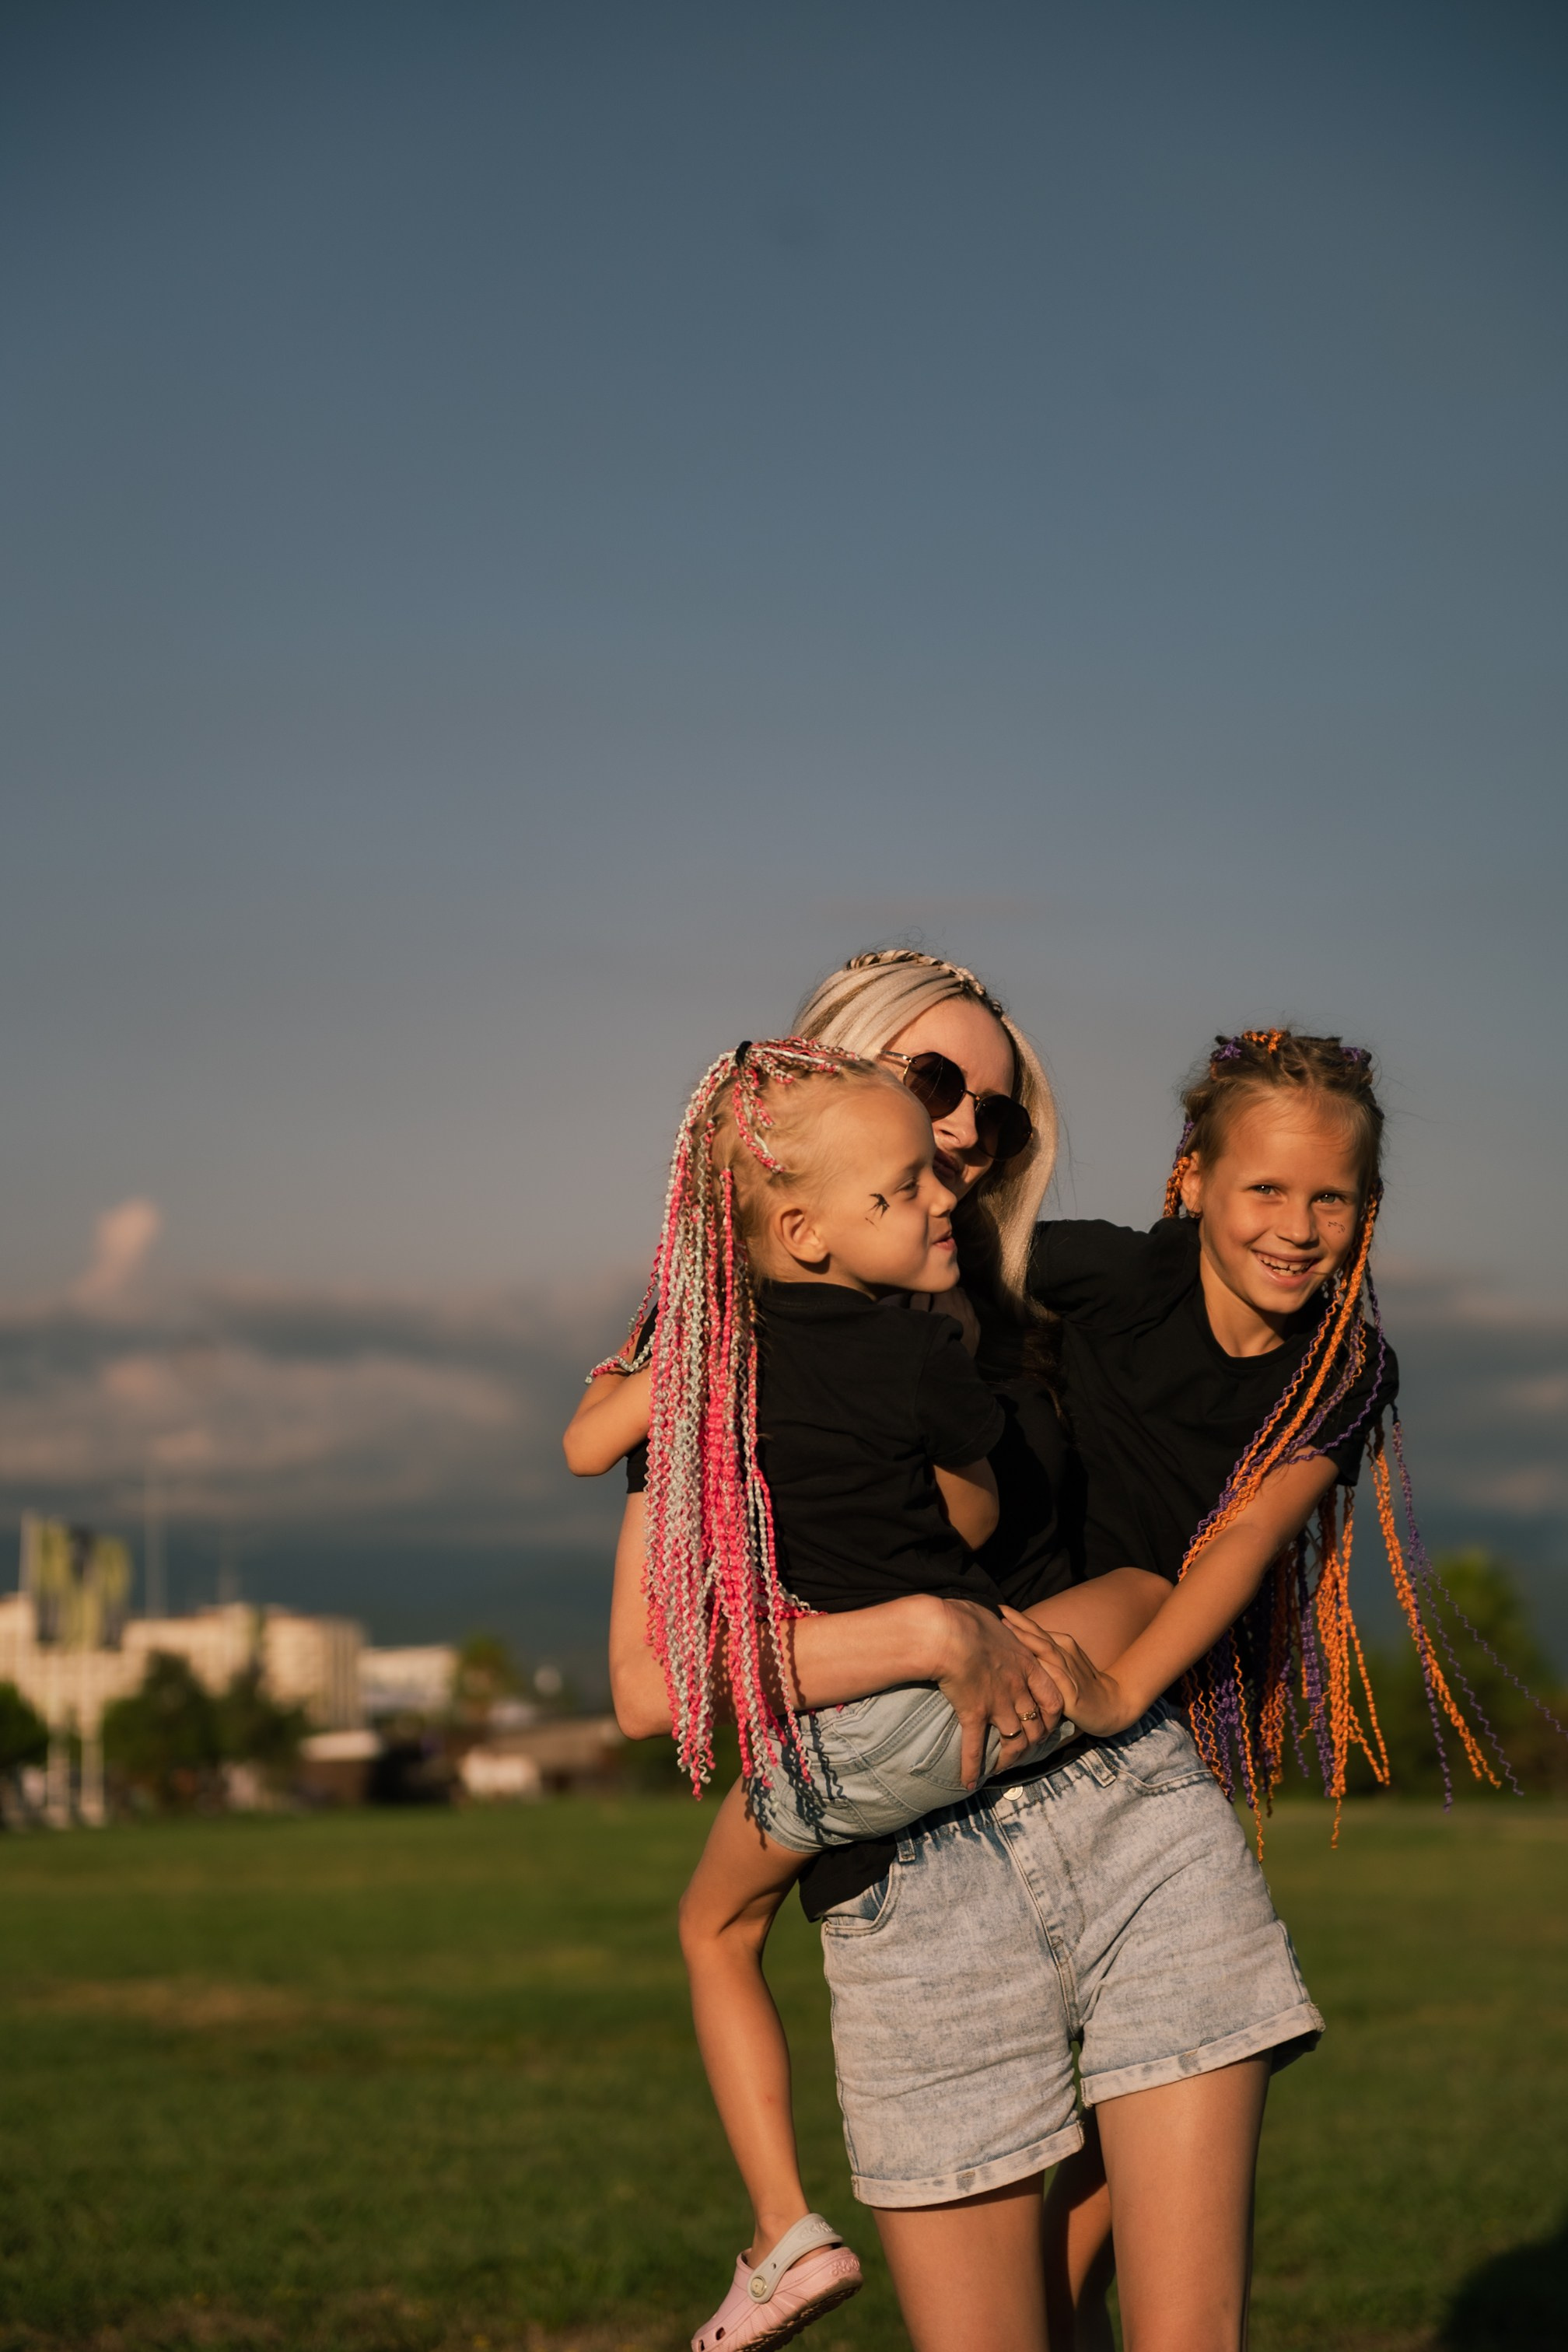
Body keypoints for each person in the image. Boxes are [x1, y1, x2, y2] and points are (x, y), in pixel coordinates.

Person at [574, 956, 1450, 2352]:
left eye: (998, 1105)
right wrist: (927, 1632)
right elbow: (649, 1687)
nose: (971, 1131)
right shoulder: (720, 1356)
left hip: (1124, 1813)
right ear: (829, 1089)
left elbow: (1177, 1525)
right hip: (916, 1890)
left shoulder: (1027, 1307)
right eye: (933, 1090)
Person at [568, 1034, 1165, 2351]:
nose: (943, 1195)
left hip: (820, 1745)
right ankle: (1115, 1700)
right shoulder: (918, 1362)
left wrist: (690, 1368)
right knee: (1144, 1597)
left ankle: (785, 2226)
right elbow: (971, 1510)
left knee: (716, 1932)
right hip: (933, 1719)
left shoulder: (712, 1369)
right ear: (813, 1225)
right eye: (902, 1186)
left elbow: (582, 1440)